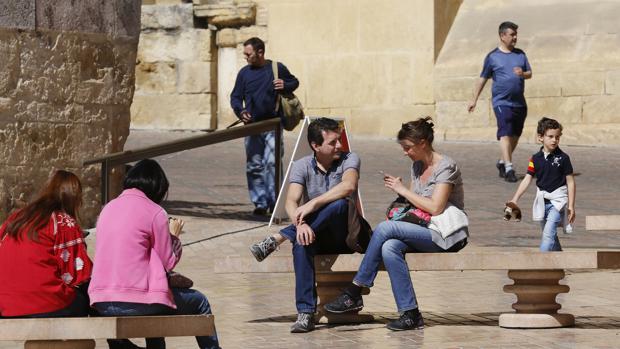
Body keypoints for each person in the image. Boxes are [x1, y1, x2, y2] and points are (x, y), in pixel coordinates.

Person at [324, 117, 468, 331]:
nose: (405, 152)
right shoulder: (417, 166)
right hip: (422, 229)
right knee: (389, 246)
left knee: (384, 228)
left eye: (408, 147)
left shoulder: (446, 166)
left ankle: (355, 290)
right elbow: (416, 206)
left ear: (422, 143)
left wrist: (402, 190)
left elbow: (436, 208)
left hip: (445, 234)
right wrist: (402, 199)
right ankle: (410, 313)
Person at [249, 117, 370, 333]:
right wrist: (300, 224)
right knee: (301, 242)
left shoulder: (350, 159)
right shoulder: (302, 165)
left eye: (339, 140)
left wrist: (312, 203)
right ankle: (305, 313)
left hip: (346, 236)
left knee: (340, 204)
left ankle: (280, 237)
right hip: (316, 233)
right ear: (315, 146)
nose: (339, 146)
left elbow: (348, 186)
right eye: (332, 142)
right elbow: (291, 201)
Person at [88, 159, 220, 349]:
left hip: (102, 302)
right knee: (199, 302)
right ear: (157, 188)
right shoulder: (155, 212)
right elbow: (168, 261)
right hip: (136, 302)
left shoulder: (107, 209)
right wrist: (173, 236)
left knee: (156, 297)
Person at [0, 170, 93, 318]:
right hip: (44, 303)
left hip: (6, 306)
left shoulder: (15, 218)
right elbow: (78, 274)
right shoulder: (63, 221)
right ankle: (115, 340)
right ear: (74, 198)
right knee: (89, 295)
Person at [230, 36, 300, 216]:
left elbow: (294, 82)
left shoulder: (277, 68)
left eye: (248, 53)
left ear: (260, 52)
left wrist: (285, 84)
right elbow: (235, 97)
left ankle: (276, 202)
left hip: (273, 126)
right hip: (252, 127)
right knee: (254, 165)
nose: (245, 57)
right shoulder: (244, 73)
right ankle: (260, 203)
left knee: (272, 163)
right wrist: (240, 111)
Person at [468, 21, 532, 183]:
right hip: (501, 102)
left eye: (516, 34)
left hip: (519, 103)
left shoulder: (520, 54)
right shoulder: (492, 57)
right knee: (505, 133)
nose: (515, 37)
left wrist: (522, 73)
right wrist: (474, 99)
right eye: (512, 34)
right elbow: (483, 78)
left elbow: (530, 73)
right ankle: (509, 168)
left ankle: (502, 161)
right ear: (502, 36)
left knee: (515, 135)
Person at [506, 117, 576, 251]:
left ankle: (539, 263)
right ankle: (559, 260)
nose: (554, 140)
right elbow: (527, 179)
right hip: (542, 202)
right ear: (540, 137)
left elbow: (571, 182)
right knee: (551, 236)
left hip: (558, 202)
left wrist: (571, 206)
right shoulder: (535, 159)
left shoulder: (563, 158)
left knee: (548, 235)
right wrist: (515, 199)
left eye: (557, 137)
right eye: (550, 136)